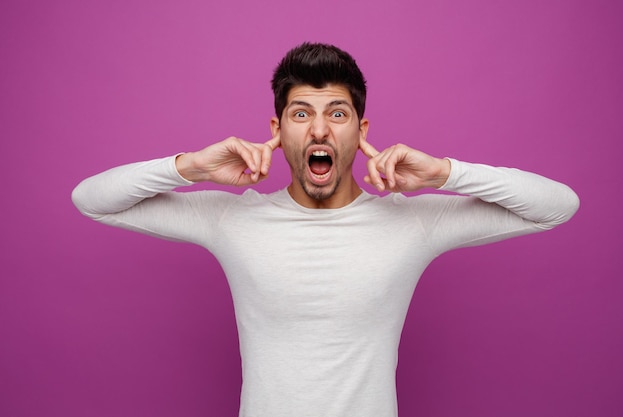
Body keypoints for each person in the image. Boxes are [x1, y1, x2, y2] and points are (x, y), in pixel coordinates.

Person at [72, 42, 579, 417]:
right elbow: (93, 201)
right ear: (277, 131)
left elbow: (557, 206)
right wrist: (192, 166)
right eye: (300, 114)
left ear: (361, 132)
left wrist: (444, 173)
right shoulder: (231, 217)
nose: (319, 130)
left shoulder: (411, 221)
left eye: (337, 114)